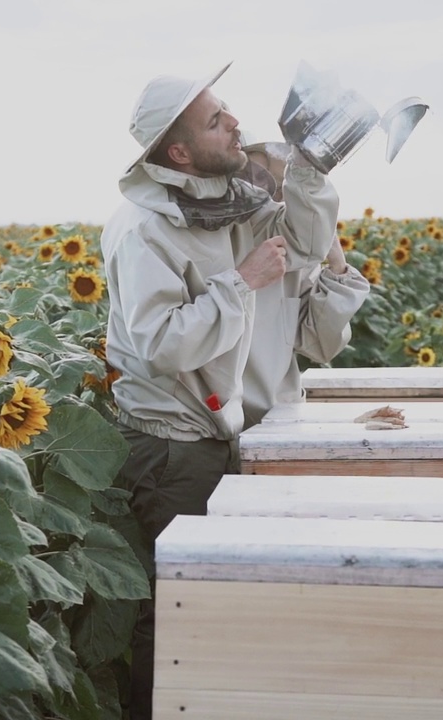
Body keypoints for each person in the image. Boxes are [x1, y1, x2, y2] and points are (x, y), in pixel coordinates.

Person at [100, 62, 338, 720]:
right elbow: (165, 344)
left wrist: (312, 173)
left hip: (221, 436)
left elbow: (307, 249)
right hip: (170, 450)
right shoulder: (146, 227)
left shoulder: (222, 200)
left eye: (227, 109)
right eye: (215, 119)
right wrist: (242, 282)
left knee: (219, 605)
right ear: (178, 151)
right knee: (176, 613)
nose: (236, 123)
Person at [237, 136, 371, 429]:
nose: (260, 192)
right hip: (216, 421)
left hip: (276, 417)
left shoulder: (293, 254)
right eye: (250, 177)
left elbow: (320, 344)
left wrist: (336, 264)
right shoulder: (214, 242)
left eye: (270, 183)